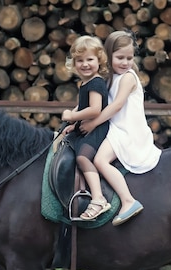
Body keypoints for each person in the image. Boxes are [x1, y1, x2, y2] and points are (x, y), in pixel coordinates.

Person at [80, 31, 161, 226]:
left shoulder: (128, 78)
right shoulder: (111, 77)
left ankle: (128, 201)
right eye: (120, 58)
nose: (125, 63)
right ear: (109, 56)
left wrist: (93, 123)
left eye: (129, 58)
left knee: (100, 160)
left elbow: (116, 106)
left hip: (127, 131)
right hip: (115, 128)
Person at [60, 35, 112, 221]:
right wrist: (74, 125)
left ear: (99, 60)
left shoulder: (96, 82)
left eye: (90, 59)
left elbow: (95, 109)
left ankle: (98, 198)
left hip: (97, 129)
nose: (85, 64)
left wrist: (72, 116)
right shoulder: (85, 83)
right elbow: (83, 106)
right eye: (80, 60)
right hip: (84, 127)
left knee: (82, 158)